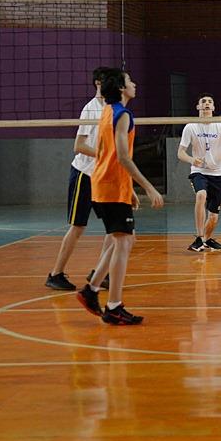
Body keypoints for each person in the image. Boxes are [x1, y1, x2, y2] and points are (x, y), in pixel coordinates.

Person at [76, 70, 164, 325]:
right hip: (110, 186)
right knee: (123, 242)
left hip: (104, 184)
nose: (134, 84)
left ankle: (91, 290)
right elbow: (123, 157)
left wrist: (128, 190)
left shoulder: (107, 111)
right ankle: (113, 305)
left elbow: (106, 153)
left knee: (122, 239)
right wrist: (147, 187)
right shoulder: (122, 115)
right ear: (122, 89)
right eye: (130, 81)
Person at [46, 66, 117, 290]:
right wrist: (103, 155)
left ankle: (100, 272)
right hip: (84, 174)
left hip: (103, 176)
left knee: (115, 228)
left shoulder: (114, 109)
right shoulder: (91, 109)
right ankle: (55, 274)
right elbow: (78, 145)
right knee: (78, 227)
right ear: (98, 83)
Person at [178, 93, 221, 252]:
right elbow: (181, 153)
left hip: (219, 174)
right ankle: (198, 238)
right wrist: (192, 160)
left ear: (213, 107)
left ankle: (207, 239)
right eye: (203, 102)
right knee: (201, 195)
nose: (206, 104)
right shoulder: (190, 126)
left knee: (213, 217)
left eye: (210, 102)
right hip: (199, 171)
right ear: (198, 107)